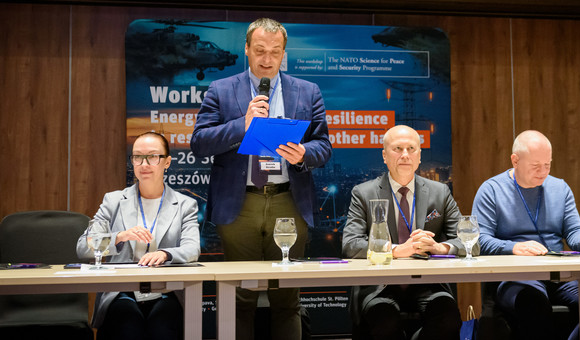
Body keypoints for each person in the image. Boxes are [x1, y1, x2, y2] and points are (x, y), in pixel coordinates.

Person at [191, 18, 331, 339]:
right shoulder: (221, 90)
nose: (267, 60)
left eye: (275, 52)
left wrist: (304, 154)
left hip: (289, 202)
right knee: (241, 297)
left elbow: (323, 147)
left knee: (287, 297)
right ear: (246, 50)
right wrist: (243, 123)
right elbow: (200, 143)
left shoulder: (308, 92)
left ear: (284, 53)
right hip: (240, 205)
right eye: (259, 51)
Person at [472, 130, 580, 340]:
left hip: (559, 275)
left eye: (547, 165)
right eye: (536, 166)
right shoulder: (492, 190)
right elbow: (480, 240)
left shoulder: (560, 188)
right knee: (534, 304)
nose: (543, 172)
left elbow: (573, 230)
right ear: (515, 160)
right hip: (517, 277)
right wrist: (513, 248)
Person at [342, 125, 470, 340]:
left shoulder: (440, 192)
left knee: (448, 319)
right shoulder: (363, 193)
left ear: (419, 156)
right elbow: (351, 244)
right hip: (381, 287)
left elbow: (470, 241)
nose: (405, 155)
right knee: (385, 324)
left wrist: (440, 247)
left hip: (428, 283)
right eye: (397, 148)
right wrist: (395, 250)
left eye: (411, 148)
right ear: (384, 155)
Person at [76, 132, 201, 340]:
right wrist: (118, 236)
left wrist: (165, 254)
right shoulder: (113, 201)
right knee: (127, 328)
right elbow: (82, 247)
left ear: (167, 162)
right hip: (122, 292)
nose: (144, 164)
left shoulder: (185, 205)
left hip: (166, 292)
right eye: (137, 157)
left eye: (152, 156)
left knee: (163, 329)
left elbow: (192, 249)